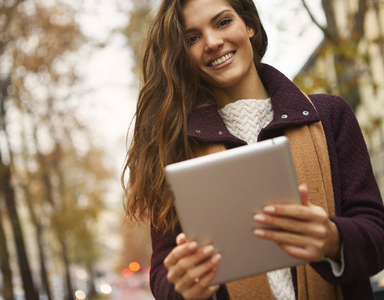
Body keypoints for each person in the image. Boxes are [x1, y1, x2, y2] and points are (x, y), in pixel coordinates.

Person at [122, 0, 384, 299]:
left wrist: (333, 239)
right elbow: (163, 276)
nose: (212, 42)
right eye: (192, 38)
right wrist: (182, 286)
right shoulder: (175, 147)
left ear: (249, 25)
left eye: (222, 22)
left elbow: (377, 233)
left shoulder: (330, 116)